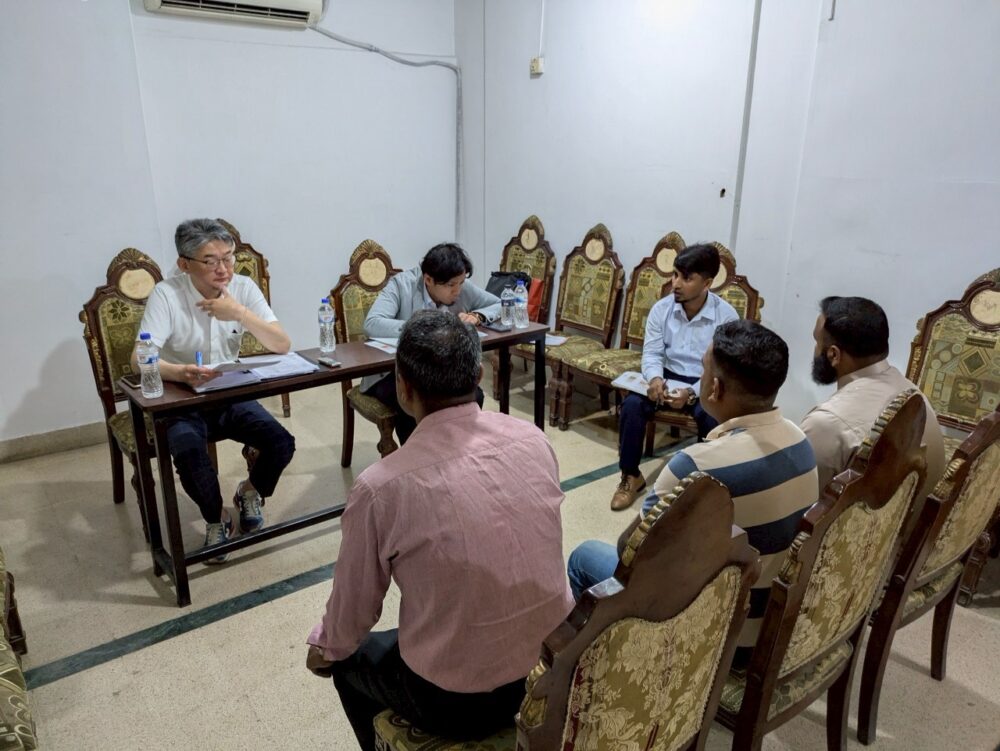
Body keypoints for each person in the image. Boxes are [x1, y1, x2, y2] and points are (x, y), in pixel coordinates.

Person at [306, 311, 573, 750]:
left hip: (458, 701)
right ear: (479, 374)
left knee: (350, 664)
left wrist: (324, 649)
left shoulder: (382, 487)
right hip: (550, 668)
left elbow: (353, 613)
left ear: (402, 388)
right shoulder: (532, 439)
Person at [568, 320, 818, 666]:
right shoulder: (801, 439)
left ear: (714, 388)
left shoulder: (694, 467)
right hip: (772, 623)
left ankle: (612, 672)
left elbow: (632, 558)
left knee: (583, 557)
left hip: (714, 634)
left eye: (701, 369)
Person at [132, 218, 295, 562]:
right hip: (182, 396)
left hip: (227, 393)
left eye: (229, 257)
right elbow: (139, 359)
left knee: (281, 442)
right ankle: (215, 517)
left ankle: (249, 491)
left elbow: (281, 344)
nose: (223, 269)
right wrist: (179, 372)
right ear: (184, 263)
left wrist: (237, 312)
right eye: (211, 261)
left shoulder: (243, 287)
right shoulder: (167, 294)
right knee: (190, 454)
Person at [611, 244, 739, 510]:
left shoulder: (725, 317)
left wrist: (692, 392)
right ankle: (631, 475)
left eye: (686, 278)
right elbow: (652, 354)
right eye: (675, 275)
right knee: (633, 406)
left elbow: (721, 368)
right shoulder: (662, 309)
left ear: (707, 283)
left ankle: (704, 487)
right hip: (667, 375)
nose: (675, 284)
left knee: (712, 417)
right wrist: (656, 379)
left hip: (705, 379)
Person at [801, 296, 945, 501]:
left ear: (834, 355)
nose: (815, 350)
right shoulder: (913, 392)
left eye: (817, 341)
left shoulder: (828, 422)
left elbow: (802, 507)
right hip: (914, 527)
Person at [362, 243, 501, 444]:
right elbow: (373, 323)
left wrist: (478, 315)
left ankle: (456, 450)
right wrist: (423, 330)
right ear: (428, 279)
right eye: (451, 286)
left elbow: (499, 303)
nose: (458, 290)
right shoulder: (401, 285)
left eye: (461, 283)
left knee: (473, 395)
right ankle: (417, 459)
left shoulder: (458, 283)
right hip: (394, 372)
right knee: (412, 405)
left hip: (440, 369)